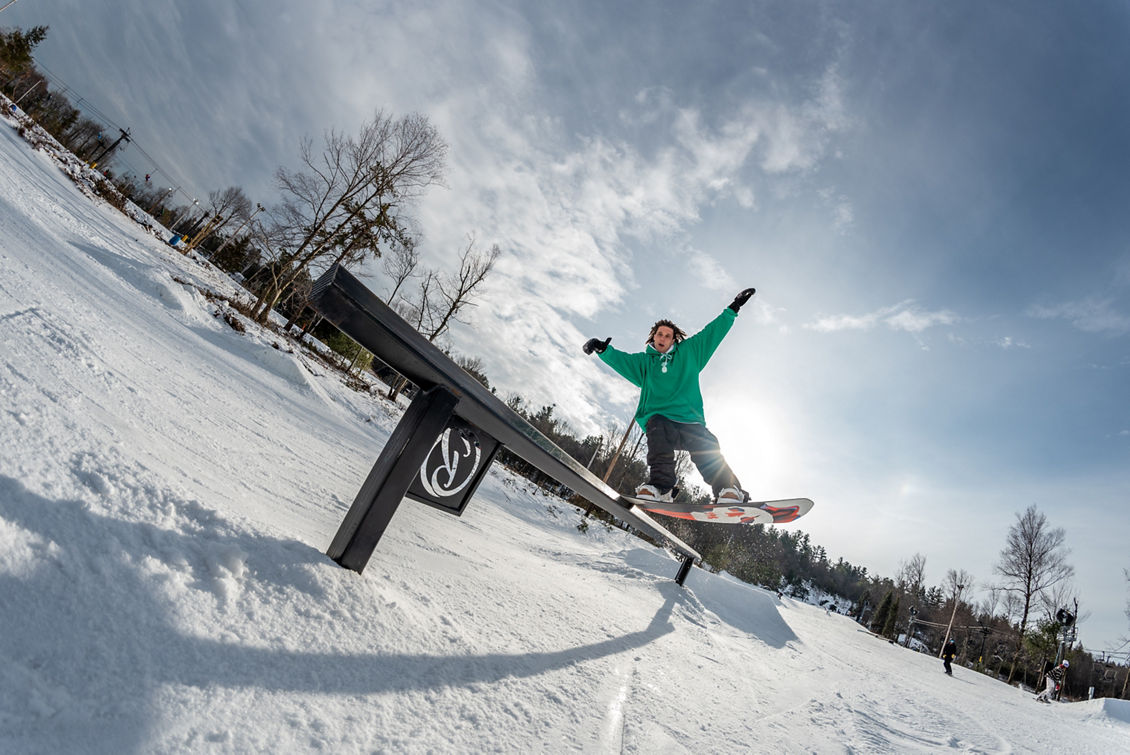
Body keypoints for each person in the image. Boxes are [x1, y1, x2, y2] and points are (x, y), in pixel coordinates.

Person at [583, 287, 756, 504]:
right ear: (653, 338)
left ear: (674, 340)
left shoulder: (690, 353)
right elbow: (621, 359)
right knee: (656, 427)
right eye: (659, 334)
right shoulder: (644, 363)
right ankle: (661, 487)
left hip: (689, 421)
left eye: (667, 335)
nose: (663, 338)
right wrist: (603, 350)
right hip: (662, 425)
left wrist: (733, 308)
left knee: (706, 447)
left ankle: (728, 491)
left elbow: (712, 333)